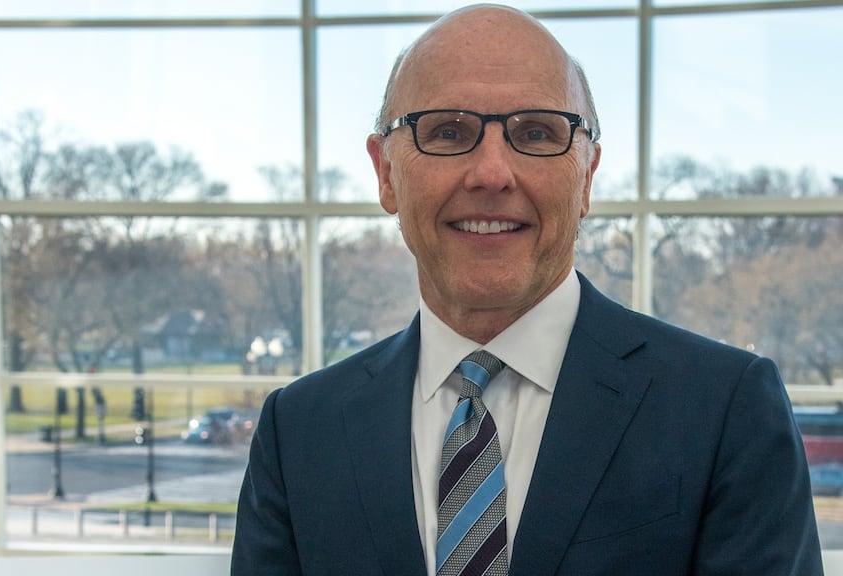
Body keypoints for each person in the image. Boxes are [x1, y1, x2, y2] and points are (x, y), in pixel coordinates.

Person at [231, 4, 823, 575]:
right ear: (386, 172)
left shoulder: (724, 409)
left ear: (587, 176)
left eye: (537, 133)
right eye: (447, 130)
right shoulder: (299, 430)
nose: (491, 173)